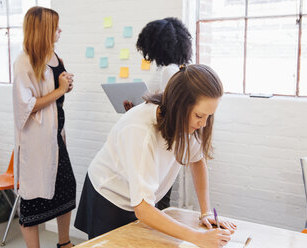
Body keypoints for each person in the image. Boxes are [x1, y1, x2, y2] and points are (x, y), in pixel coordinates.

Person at [75, 64, 237, 248]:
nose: (203, 124)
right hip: (110, 197)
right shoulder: (140, 131)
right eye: (199, 115)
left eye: (209, 116)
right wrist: (198, 238)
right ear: (179, 106)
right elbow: (143, 210)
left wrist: (206, 212)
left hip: (142, 202)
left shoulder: (186, 122)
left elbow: (197, 161)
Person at [13, 6, 76, 248]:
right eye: (55, 26)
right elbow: (26, 106)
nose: (60, 30)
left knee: (66, 187)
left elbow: (54, 96)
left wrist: (65, 88)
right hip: (37, 141)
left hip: (56, 136)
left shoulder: (55, 57)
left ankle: (64, 243)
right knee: (33, 198)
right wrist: (59, 90)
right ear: (43, 30)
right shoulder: (24, 61)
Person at [123, 17, 193, 209]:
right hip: (164, 143)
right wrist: (138, 110)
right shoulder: (180, 69)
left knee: (155, 200)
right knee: (159, 197)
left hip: (158, 143)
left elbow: (168, 112)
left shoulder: (168, 72)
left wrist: (138, 111)